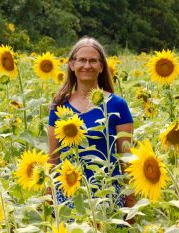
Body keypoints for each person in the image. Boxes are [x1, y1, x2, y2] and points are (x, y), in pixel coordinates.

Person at [48, 36, 135, 210]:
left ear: (102, 66)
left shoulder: (117, 105)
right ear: (72, 65)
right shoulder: (59, 106)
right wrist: (49, 198)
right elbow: (53, 158)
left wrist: (131, 202)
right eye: (81, 60)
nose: (87, 65)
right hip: (68, 195)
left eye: (93, 61)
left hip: (107, 193)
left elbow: (126, 159)